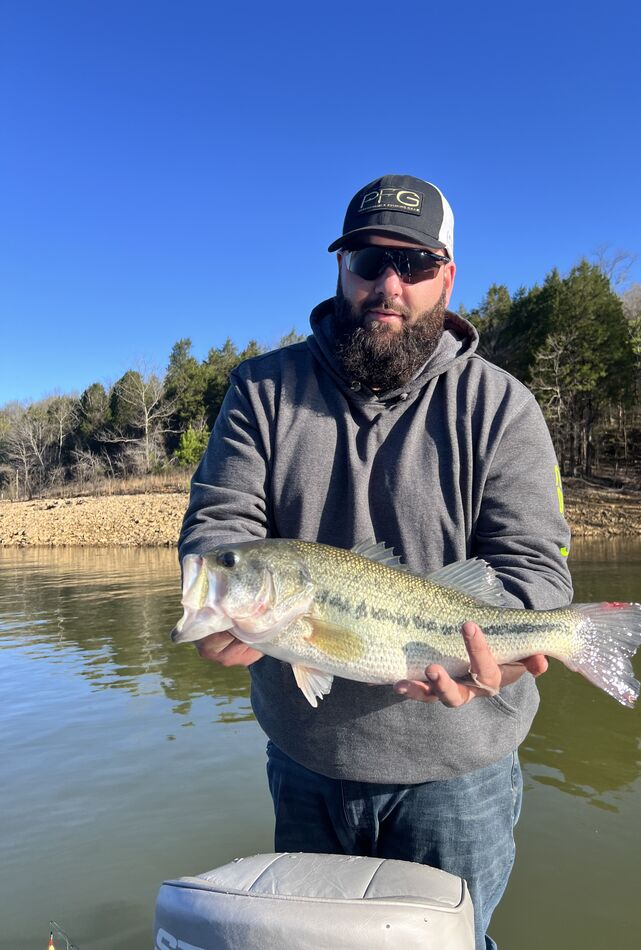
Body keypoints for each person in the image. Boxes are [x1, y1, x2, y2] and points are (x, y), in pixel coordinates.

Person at [178, 174, 573, 950]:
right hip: (304, 762)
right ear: (339, 268)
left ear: (447, 276)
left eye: (415, 264)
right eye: (367, 259)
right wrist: (216, 599)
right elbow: (218, 527)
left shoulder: (502, 406)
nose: (387, 285)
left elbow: (534, 570)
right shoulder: (260, 389)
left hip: (460, 775)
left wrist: (512, 653)